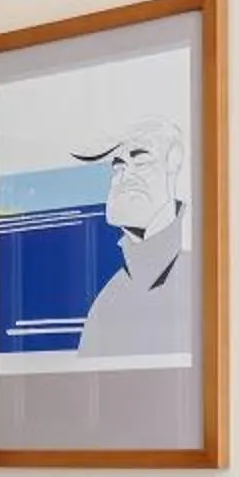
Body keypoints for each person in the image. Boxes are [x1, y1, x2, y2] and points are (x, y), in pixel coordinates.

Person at [72, 115, 195, 364]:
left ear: (173, 162)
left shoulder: (196, 278)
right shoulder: (107, 303)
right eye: (118, 167)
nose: (126, 175)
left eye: (141, 162)